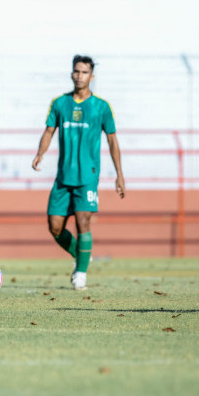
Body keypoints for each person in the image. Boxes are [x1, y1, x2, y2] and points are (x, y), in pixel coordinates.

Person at [31, 55, 125, 290]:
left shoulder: (101, 107)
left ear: (91, 77)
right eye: (76, 71)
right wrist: (40, 153)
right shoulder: (60, 103)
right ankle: (82, 255)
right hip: (63, 177)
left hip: (88, 177)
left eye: (84, 72)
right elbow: (48, 131)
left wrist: (119, 174)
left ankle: (80, 273)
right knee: (54, 227)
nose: (79, 75)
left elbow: (112, 141)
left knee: (84, 222)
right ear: (72, 74)